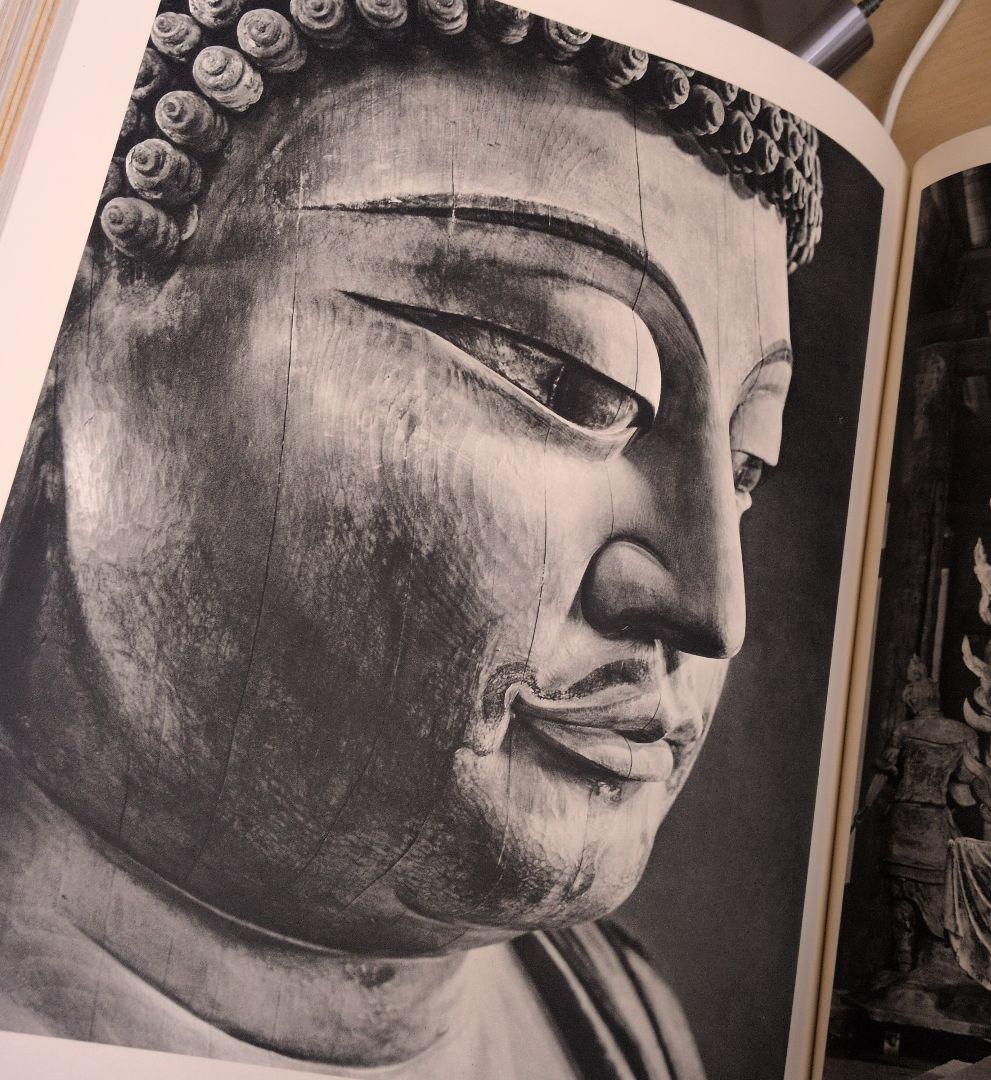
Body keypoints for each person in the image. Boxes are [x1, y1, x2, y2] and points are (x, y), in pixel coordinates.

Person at [0, 2, 822, 1076]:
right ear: (63, 327)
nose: (712, 609)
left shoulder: (627, 1024)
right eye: (566, 377)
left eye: (747, 463)